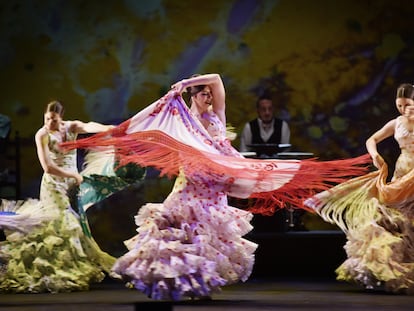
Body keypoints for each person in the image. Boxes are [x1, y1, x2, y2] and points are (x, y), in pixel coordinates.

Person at [62, 73, 370, 300]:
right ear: (194, 98)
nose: (210, 98)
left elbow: (219, 79)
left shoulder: (217, 116)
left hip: (216, 187)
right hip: (193, 184)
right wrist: (180, 94)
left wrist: (184, 83)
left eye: (210, 94)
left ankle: (201, 287)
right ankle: (179, 284)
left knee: (210, 237)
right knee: (181, 230)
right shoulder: (185, 124)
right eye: (204, 94)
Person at [305, 83, 414, 294]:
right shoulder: (396, 122)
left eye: (407, 104)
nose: (403, 109)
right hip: (401, 175)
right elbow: (371, 139)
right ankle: (388, 271)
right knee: (394, 221)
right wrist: (375, 155)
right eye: (399, 105)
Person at [0, 100, 117, 293]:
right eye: (47, 119)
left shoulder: (69, 127)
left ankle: (64, 263)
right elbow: (47, 166)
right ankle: (56, 268)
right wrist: (73, 175)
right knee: (64, 224)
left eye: (53, 120)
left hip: (71, 185)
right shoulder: (42, 135)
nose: (49, 123)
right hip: (54, 185)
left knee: (69, 226)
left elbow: (88, 126)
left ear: (60, 118)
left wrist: (108, 128)